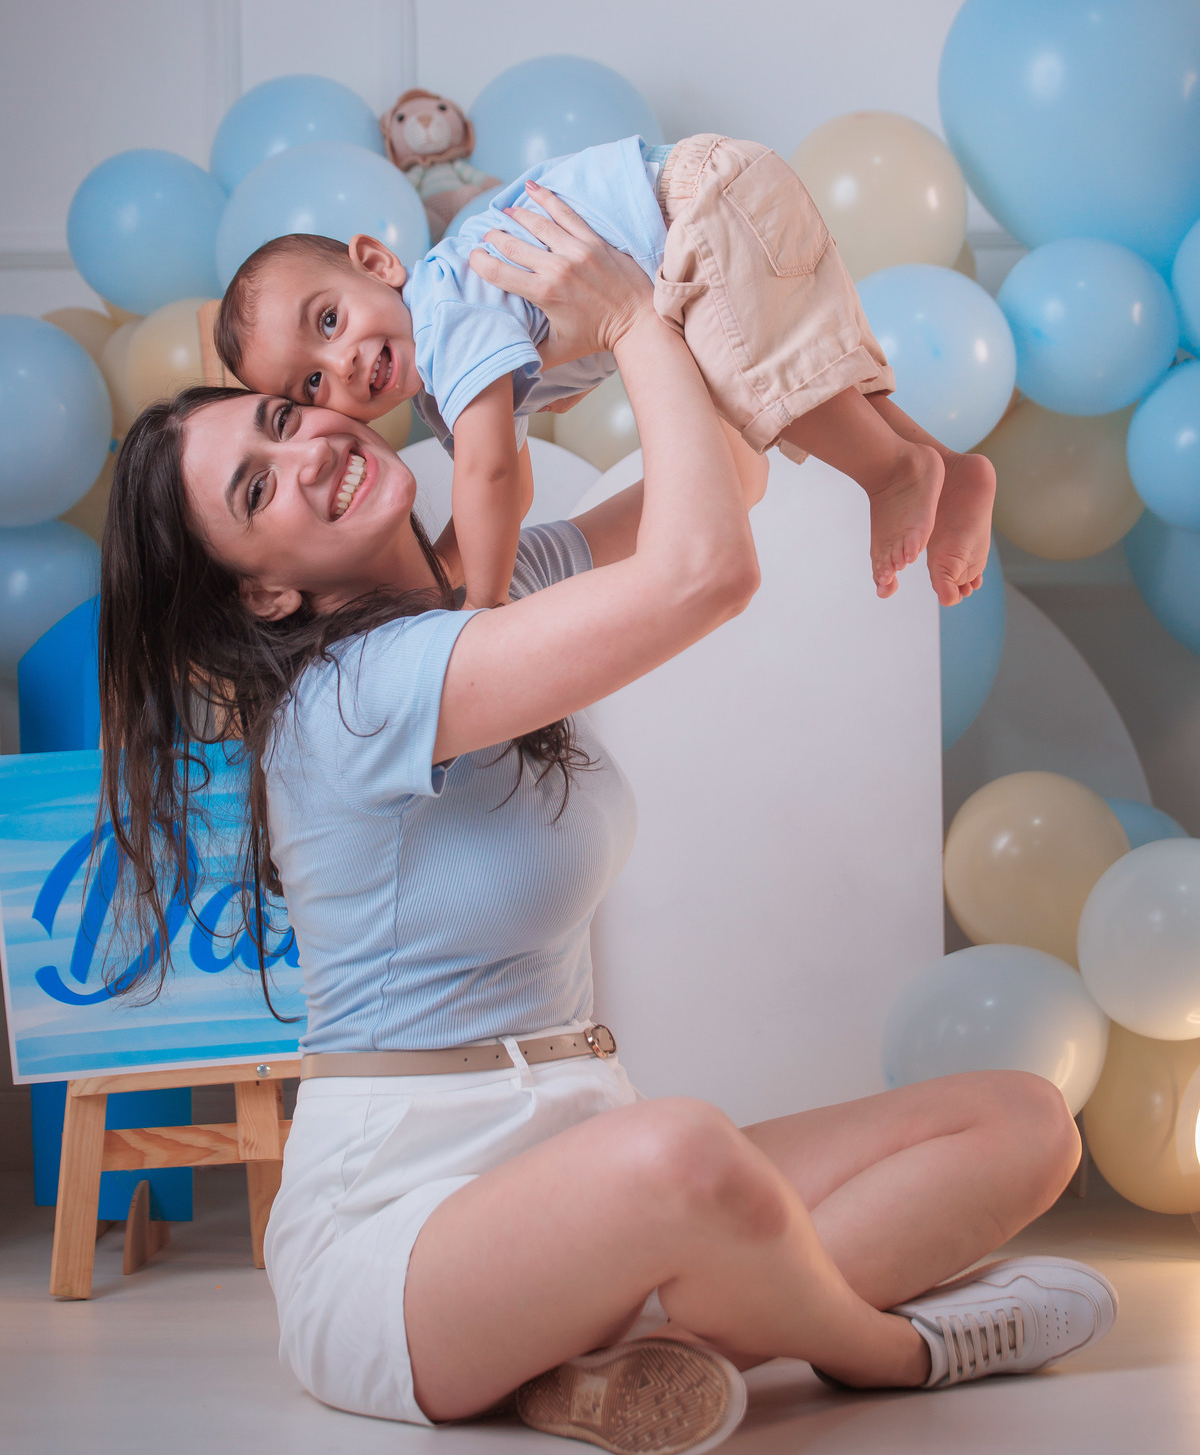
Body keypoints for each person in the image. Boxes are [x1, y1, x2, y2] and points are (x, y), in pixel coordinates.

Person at [100, 191, 1112, 1451]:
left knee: (1022, 1122)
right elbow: (707, 572)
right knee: (680, 1151)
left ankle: (615, 1356)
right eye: (258, 488)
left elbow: (731, 478)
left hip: (587, 1167)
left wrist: (591, 331)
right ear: (263, 591)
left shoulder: (490, 583)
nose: (309, 447)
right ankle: (893, 1352)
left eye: (283, 415)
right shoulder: (353, 696)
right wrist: (631, 320)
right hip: (400, 1239)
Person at [212, 134, 995, 612]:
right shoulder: (447, 380)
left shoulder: (443, 315)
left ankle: (891, 474)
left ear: (379, 264)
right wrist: (438, 572)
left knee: (758, 383)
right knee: (795, 370)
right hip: (714, 196)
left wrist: (483, 604)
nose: (341, 363)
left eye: (329, 322)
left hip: (688, 209)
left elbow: (489, 476)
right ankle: (946, 467)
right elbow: (511, 484)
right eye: (311, 386)